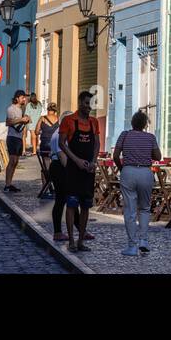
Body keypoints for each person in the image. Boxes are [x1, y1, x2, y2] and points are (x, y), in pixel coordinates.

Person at [112, 109, 162, 256]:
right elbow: (158, 156)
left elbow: (116, 155)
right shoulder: (150, 137)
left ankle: (132, 246)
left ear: (132, 123)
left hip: (128, 171)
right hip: (145, 173)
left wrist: (122, 168)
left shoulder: (124, 135)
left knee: (130, 211)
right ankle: (144, 241)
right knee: (145, 208)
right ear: (145, 124)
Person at [58, 90, 101, 252]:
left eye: (91, 104)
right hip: (73, 170)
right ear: (80, 103)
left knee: (86, 205)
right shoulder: (69, 121)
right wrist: (76, 160)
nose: (89, 107)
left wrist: (93, 161)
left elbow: (96, 143)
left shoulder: (94, 122)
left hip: (88, 170)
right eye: (86, 104)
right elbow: (62, 144)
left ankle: (81, 240)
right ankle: (71, 241)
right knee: (71, 204)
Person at [48, 111, 71, 241]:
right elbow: (62, 155)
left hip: (58, 166)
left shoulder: (60, 133)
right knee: (62, 200)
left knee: (67, 200)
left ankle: (81, 229)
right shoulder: (59, 135)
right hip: (59, 167)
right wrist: (70, 172)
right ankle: (57, 232)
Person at [3, 90, 31, 192]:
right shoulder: (11, 109)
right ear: (17, 98)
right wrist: (21, 120)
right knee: (12, 161)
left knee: (16, 162)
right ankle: (7, 185)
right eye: (23, 97)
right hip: (12, 137)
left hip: (19, 138)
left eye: (25, 97)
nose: (25, 99)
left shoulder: (21, 110)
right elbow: (8, 122)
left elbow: (21, 123)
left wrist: (27, 119)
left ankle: (10, 184)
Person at [37, 102, 60, 200]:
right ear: (55, 110)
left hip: (45, 146)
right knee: (56, 165)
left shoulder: (42, 118)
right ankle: (55, 188)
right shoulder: (58, 119)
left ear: (47, 109)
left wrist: (43, 131)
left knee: (45, 167)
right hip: (55, 146)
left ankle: (45, 188)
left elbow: (36, 131)